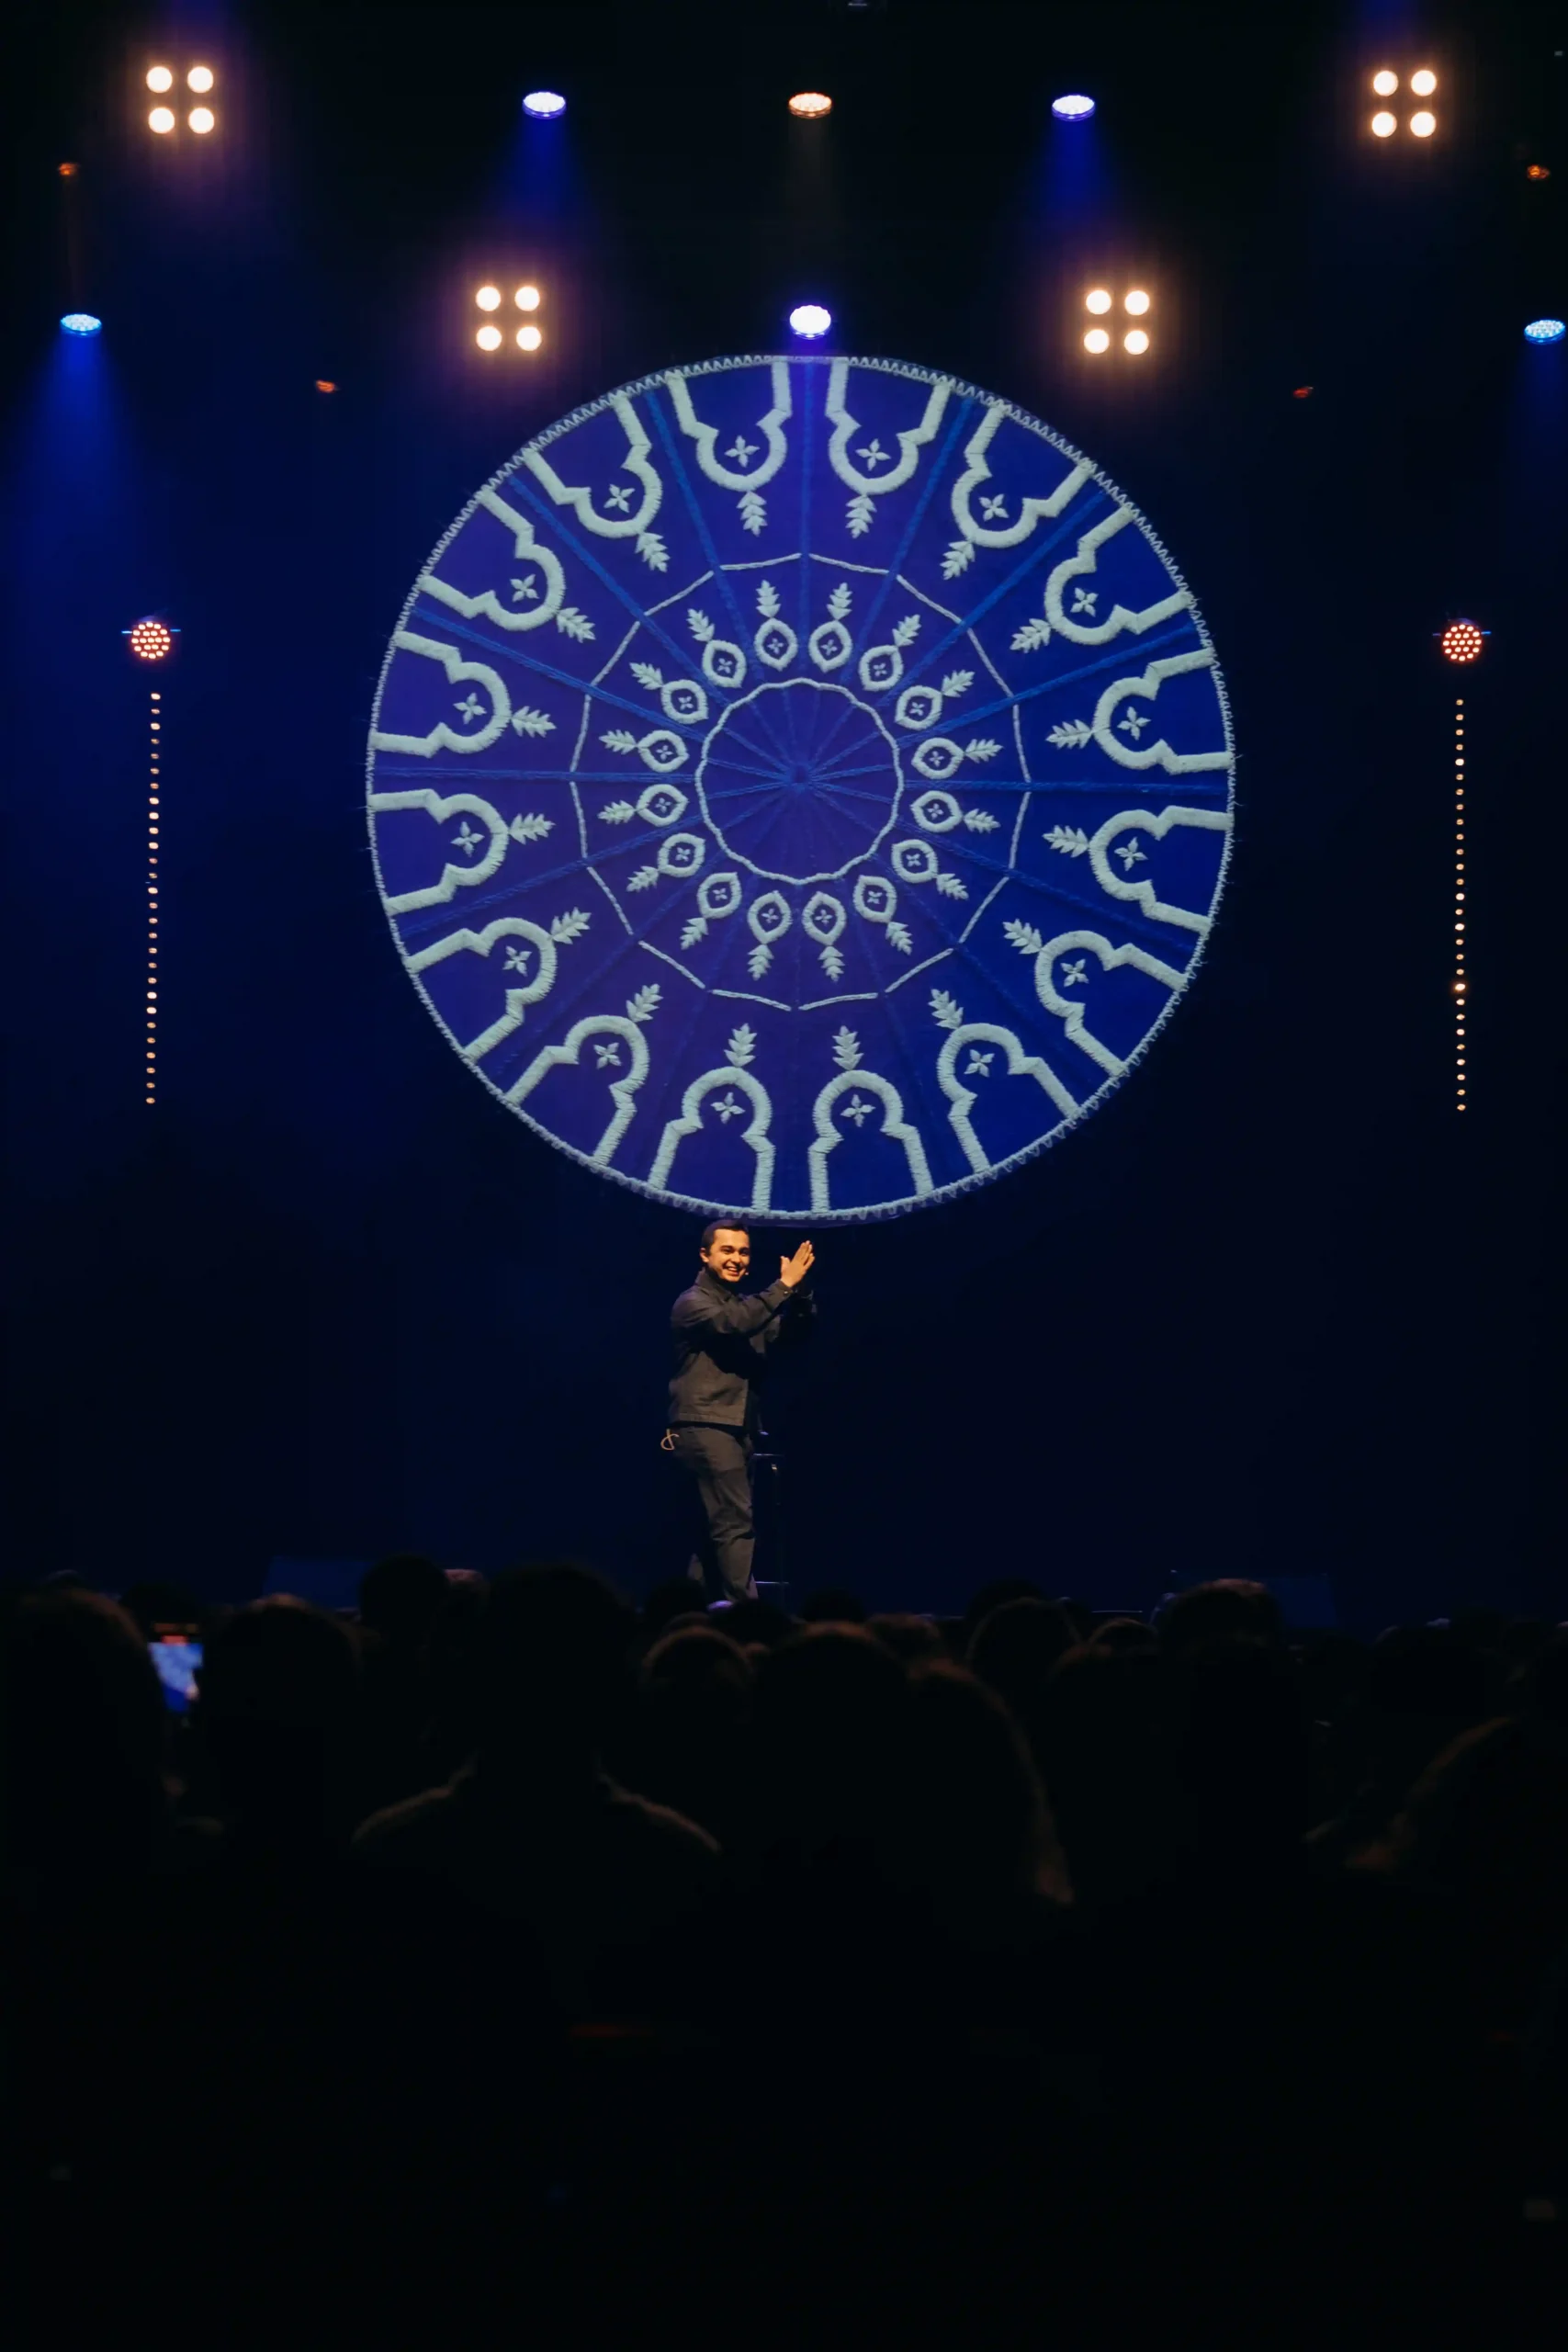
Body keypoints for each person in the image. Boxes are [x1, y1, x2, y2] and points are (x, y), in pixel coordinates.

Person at [663, 1222, 815, 1603]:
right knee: (734, 1524)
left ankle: (696, 1615)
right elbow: (732, 1325)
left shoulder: (748, 1308)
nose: (736, 1259)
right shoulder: (692, 1303)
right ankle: (747, 1618)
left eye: (743, 1252)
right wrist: (781, 1287)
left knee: (711, 1532)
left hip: (736, 1427)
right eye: (727, 1250)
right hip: (706, 1425)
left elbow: (792, 1335)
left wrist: (799, 1293)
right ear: (705, 1255)